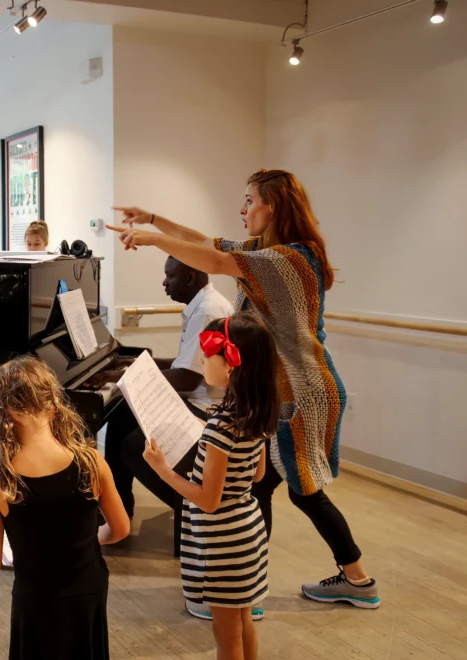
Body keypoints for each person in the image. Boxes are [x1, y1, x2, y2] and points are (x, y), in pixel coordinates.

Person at [110, 169, 379, 608]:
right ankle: (289, 583)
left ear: (273, 205)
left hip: (302, 393)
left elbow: (213, 262)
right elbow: (206, 243)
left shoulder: (287, 260)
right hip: (287, 390)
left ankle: (258, 588)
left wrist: (154, 240)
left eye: (250, 200)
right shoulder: (266, 252)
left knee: (297, 489)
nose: (243, 209)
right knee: (273, 487)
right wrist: (155, 219)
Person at [0, 356, 130, 660]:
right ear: (54, 403)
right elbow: (121, 528)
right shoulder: (91, 461)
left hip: (36, 598)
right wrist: (92, 539)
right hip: (88, 591)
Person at [143, 313, 276, 660]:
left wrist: (163, 470)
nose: (202, 359)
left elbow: (209, 500)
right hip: (248, 528)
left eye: (207, 353)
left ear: (231, 365)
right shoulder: (255, 412)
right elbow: (258, 475)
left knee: (225, 637)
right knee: (243, 620)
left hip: (223, 540)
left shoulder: (221, 426)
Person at [104, 256, 233, 519]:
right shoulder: (204, 304)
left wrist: (129, 377)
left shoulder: (207, 310)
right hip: (196, 399)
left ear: (190, 278)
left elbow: (187, 378)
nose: (164, 283)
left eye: (170, 276)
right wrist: (134, 367)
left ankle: (190, 509)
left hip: (204, 407)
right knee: (120, 415)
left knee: (133, 448)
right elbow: (182, 363)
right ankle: (118, 508)